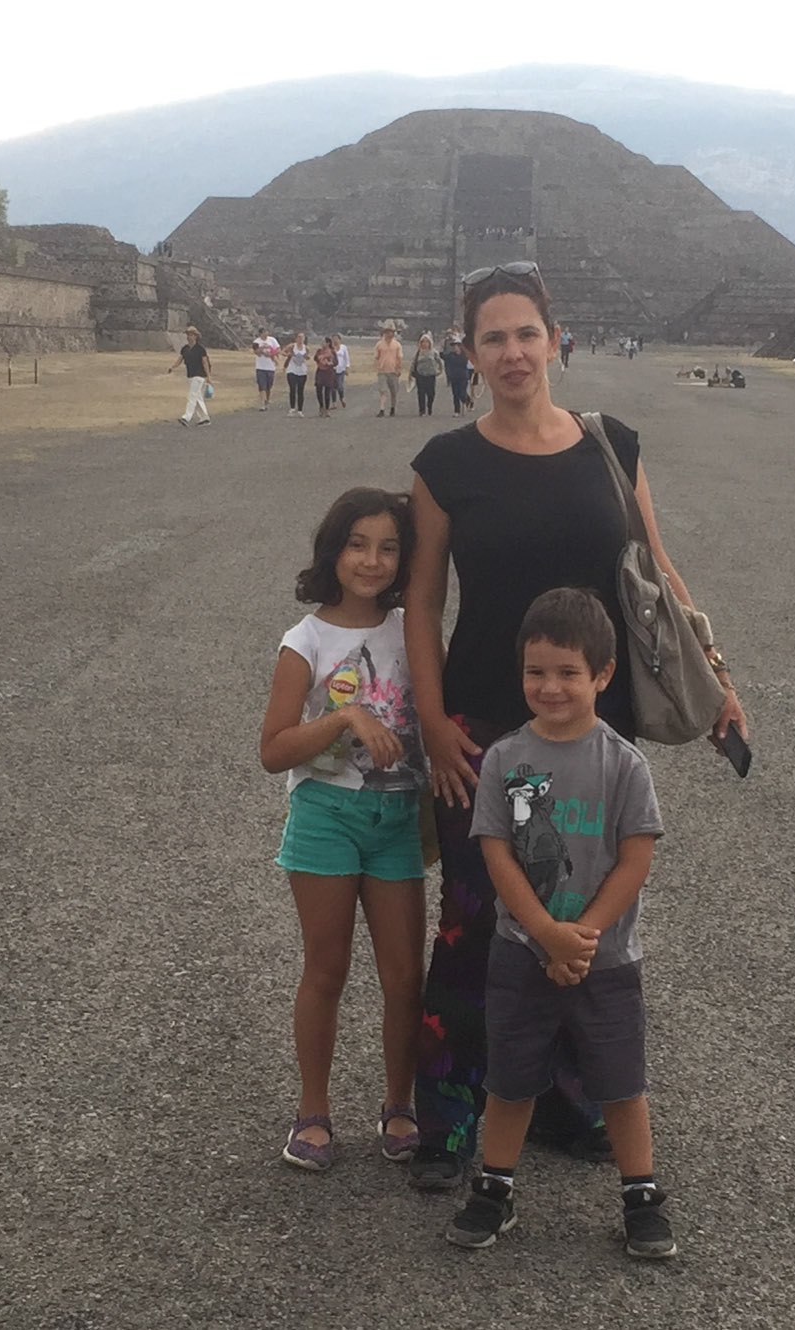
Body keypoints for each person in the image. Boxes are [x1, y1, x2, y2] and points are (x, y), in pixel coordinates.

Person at [403, 258, 747, 1190]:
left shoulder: (610, 445)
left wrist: (716, 676)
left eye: (526, 333)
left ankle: (563, 1099)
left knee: (581, 915)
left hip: (596, 729)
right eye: (493, 338)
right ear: (468, 352)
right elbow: (422, 601)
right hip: (486, 727)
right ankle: (449, 1119)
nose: (512, 352)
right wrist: (431, 719)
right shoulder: (445, 466)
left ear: (554, 340)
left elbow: (657, 572)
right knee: (476, 917)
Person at [444, 588, 675, 1259]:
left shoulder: (624, 764)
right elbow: (496, 853)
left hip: (606, 960)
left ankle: (640, 1194)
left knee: (621, 1083)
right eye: (535, 671)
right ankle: (495, 1187)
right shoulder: (504, 759)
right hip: (521, 952)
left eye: (568, 672)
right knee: (509, 1079)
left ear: (603, 675)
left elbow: (635, 858)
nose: (550, 687)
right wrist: (544, 932)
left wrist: (582, 936)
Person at [258, 487, 431, 1172]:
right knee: (326, 969)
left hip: (396, 821)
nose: (372, 561)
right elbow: (274, 750)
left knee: (405, 976)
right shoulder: (305, 640)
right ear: (333, 550)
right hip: (325, 818)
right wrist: (343, 718)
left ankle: (400, 1103)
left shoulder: (412, 629)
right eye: (358, 544)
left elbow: (441, 712)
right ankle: (312, 1111)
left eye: (388, 548)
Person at [166, 325, 212, 426]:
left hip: (199, 375)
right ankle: (205, 418)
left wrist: (208, 376)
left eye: (191, 335)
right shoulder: (185, 348)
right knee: (198, 397)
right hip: (190, 375)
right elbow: (180, 359)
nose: (188, 337)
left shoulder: (200, 349)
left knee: (192, 396)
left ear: (195, 336)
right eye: (187, 335)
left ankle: (186, 417)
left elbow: (205, 362)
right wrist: (173, 367)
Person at [374, 325, 404, 417]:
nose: (389, 334)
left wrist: (399, 369)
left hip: (393, 371)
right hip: (382, 371)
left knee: (393, 391)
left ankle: (392, 408)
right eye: (387, 332)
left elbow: (399, 358)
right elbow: (376, 357)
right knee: (383, 390)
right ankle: (382, 409)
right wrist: (377, 368)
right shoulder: (379, 344)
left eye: (391, 332)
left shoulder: (397, 345)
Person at [411, 333, 443, 416]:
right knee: (421, 393)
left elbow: (439, 361)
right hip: (420, 375)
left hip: (431, 375)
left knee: (431, 393)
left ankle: (429, 406)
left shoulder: (434, 352)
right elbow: (414, 362)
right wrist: (411, 372)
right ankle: (422, 410)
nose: (425, 344)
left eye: (426, 342)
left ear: (430, 343)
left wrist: (440, 370)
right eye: (423, 342)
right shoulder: (418, 352)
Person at [253, 328, 281, 412]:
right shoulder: (256, 342)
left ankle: (267, 401)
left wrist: (272, 354)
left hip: (270, 367)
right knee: (262, 386)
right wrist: (263, 348)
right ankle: (262, 403)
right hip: (260, 367)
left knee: (269, 386)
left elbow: (278, 349)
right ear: (260, 334)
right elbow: (256, 352)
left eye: (267, 332)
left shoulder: (272, 340)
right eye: (264, 332)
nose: (266, 334)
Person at [442, 336, 472, 414]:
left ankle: (467, 401)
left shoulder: (465, 355)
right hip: (454, 377)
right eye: (454, 346)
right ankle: (457, 411)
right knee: (455, 394)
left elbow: (464, 363)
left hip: (463, 377)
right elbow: (443, 356)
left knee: (462, 392)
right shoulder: (450, 355)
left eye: (456, 345)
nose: (455, 347)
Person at [284, 332, 310, 418]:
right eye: (299, 337)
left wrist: (306, 357)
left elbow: (307, 356)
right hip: (292, 369)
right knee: (292, 388)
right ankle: (292, 408)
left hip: (302, 371)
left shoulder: (306, 348)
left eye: (302, 337)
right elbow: (282, 352)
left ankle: (300, 410)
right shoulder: (292, 346)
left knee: (300, 390)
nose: (300, 339)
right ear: (296, 338)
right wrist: (288, 354)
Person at [314, 335, 340, 418]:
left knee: (327, 392)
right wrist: (320, 360)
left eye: (323, 342)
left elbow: (336, 362)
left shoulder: (332, 352)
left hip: (329, 373)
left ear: (328, 343)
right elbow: (315, 359)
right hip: (320, 372)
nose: (322, 343)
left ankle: (327, 409)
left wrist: (330, 363)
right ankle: (321, 406)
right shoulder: (319, 351)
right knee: (318, 390)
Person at [334, 334, 351, 407]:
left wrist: (347, 367)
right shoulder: (331, 348)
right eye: (333, 339)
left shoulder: (343, 347)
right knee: (332, 387)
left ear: (339, 340)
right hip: (332, 370)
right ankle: (334, 403)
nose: (335, 340)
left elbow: (346, 358)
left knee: (340, 386)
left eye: (336, 339)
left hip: (341, 370)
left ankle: (342, 398)